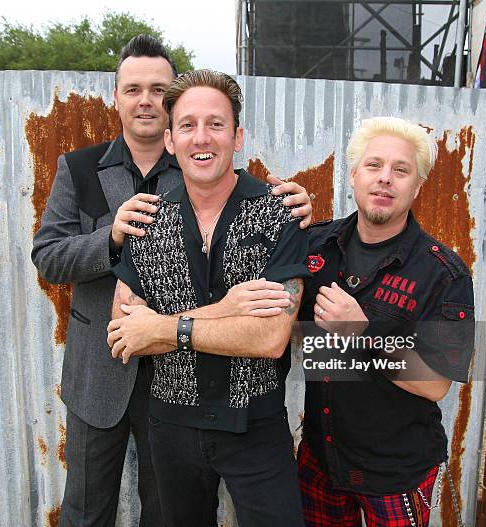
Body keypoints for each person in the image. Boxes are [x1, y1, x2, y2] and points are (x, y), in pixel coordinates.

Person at [31, 36, 312, 527]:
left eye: (157, 89)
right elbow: (49, 258)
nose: (145, 100)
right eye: (132, 88)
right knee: (85, 510)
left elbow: (269, 326)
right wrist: (111, 239)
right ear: (116, 97)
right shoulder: (81, 169)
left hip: (195, 395)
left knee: (163, 514)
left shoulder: (224, 181)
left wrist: (163, 327)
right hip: (105, 376)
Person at [106, 69, 309, 527]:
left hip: (255, 425)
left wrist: (159, 327)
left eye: (216, 124)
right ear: (171, 140)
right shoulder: (147, 220)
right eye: (188, 124)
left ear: (237, 137)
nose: (203, 137)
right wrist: (226, 311)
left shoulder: (281, 213)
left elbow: (270, 338)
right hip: (172, 426)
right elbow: (123, 336)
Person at [297, 116, 475, 526]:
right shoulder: (315, 247)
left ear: (416, 186)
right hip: (321, 461)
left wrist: (360, 332)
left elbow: (434, 383)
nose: (385, 180)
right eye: (374, 165)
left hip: (397, 472)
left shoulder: (444, 274)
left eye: (401, 170)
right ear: (354, 174)